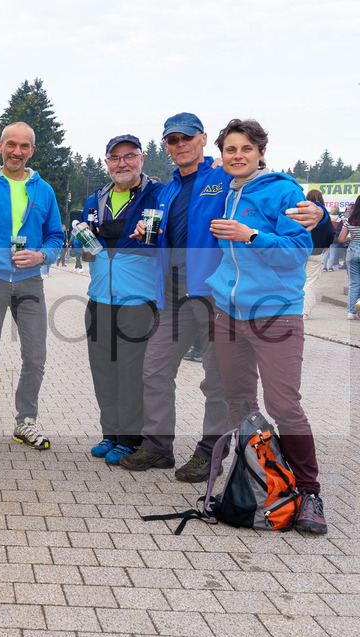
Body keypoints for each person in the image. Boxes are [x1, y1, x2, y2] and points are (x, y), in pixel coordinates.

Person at [119, 113, 326, 482]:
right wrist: (144, 231)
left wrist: (320, 213)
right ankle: (157, 445)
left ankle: (209, 451)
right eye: (172, 140)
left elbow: (277, 201)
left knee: (217, 381)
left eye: (187, 138)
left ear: (201, 140)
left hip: (214, 293)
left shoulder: (224, 177)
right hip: (172, 292)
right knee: (154, 369)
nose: (180, 145)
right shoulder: (167, 190)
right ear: (166, 146)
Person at [205, 118, 325, 533]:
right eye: (230, 150)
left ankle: (310, 493)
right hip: (228, 313)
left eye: (245, 149)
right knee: (239, 403)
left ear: (260, 153)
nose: (237, 156)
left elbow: (297, 252)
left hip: (276, 315)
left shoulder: (283, 190)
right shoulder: (227, 191)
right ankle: (255, 479)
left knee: (284, 405)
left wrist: (251, 234)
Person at [0, 122, 63, 450]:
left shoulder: (43, 190)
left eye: (24, 146)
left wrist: (41, 255)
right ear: (0, 147)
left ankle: (25, 421)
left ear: (32, 150)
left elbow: (56, 236)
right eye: (11, 145)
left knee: (35, 356)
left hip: (30, 282)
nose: (17, 151)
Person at [79, 135, 163, 465]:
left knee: (131, 374)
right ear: (107, 163)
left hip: (138, 301)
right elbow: (89, 251)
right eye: (115, 158)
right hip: (99, 298)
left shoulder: (157, 194)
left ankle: (131, 439)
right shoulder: (95, 199)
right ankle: (110, 434)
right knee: (104, 371)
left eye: (129, 156)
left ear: (141, 159)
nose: (122, 163)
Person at [301, 189, 327, 318]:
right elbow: (330, 233)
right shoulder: (322, 213)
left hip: (301, 249)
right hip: (317, 251)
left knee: (298, 279)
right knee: (310, 281)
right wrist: (326, 245)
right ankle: (304, 311)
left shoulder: (302, 212)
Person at [345, 198, 360, 320]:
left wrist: (352, 238)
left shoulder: (349, 220)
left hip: (352, 251)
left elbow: (340, 238)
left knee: (354, 283)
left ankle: (351, 312)